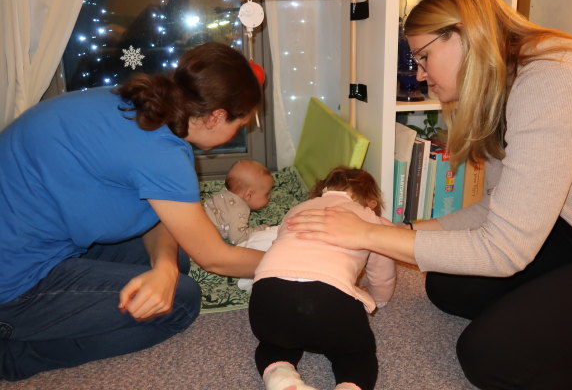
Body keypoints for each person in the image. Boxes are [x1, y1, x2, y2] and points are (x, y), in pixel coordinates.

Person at [287, 0, 572, 390]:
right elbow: (497, 207)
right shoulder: (503, 82)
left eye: (422, 57)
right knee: (447, 284)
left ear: (463, 35)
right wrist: (399, 232)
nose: (418, 75)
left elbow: (504, 250)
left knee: (489, 357)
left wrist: (368, 234)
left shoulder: (552, 83)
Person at [0, 42, 265, 381]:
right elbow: (215, 258)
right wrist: (290, 256)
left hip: (29, 237)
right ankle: (14, 357)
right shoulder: (164, 155)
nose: (239, 133)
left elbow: (160, 213)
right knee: (181, 302)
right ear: (216, 117)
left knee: (174, 264)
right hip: (14, 281)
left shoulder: (138, 105)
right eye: (240, 124)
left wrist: (166, 268)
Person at [249, 166, 396, 390]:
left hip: (267, 293)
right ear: (372, 202)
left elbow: (278, 246)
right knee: (355, 354)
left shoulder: (298, 209)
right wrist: (380, 299)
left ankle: (283, 381)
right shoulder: (371, 219)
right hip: (327, 301)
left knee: (274, 345)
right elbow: (382, 270)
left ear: (321, 193)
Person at [203, 159, 274, 244]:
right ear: (249, 195)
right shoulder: (239, 209)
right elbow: (238, 238)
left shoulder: (225, 193)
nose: (269, 197)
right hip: (196, 231)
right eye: (266, 194)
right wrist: (262, 229)